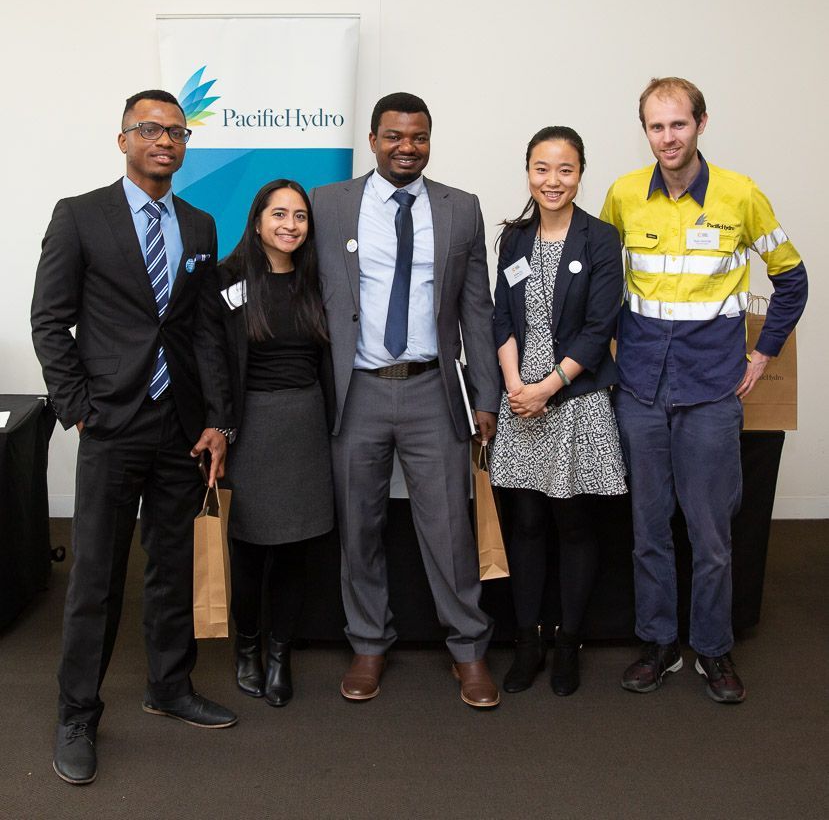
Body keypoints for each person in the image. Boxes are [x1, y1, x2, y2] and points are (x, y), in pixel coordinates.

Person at [31, 89, 238, 786]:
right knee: (94, 576)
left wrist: (217, 418)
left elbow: (206, 328)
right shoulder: (80, 216)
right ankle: (77, 714)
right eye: (150, 129)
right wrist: (79, 407)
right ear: (123, 140)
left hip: (180, 426)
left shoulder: (200, 225)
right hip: (112, 423)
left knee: (170, 564)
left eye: (176, 132)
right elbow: (49, 319)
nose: (165, 141)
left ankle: (169, 686)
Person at [601, 77, 808, 704]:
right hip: (638, 387)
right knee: (647, 530)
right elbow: (601, 279)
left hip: (712, 391)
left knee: (712, 534)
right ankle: (659, 644)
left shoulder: (742, 196)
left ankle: (713, 650)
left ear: (701, 123)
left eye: (678, 125)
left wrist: (762, 352)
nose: (668, 138)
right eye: (656, 127)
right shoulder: (623, 196)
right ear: (645, 132)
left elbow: (792, 278)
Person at [310, 92, 502, 708]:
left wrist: (487, 398)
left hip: (431, 390)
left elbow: (477, 307)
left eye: (418, 137)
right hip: (357, 390)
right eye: (394, 136)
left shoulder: (460, 209)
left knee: (448, 529)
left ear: (429, 140)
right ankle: (368, 643)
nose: (406, 147)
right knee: (358, 526)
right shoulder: (328, 205)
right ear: (372, 140)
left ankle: (468, 651)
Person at [490, 126, 627, 696]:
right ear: (528, 172)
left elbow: (600, 330)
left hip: (574, 400)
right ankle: (527, 641)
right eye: (542, 169)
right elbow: (501, 318)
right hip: (521, 400)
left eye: (565, 169)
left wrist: (546, 387)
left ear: (580, 174)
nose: (553, 180)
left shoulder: (600, 239)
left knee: (572, 524)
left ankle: (567, 642)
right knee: (524, 523)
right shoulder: (514, 239)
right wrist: (515, 385)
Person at [217, 179, 334, 707]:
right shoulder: (228, 280)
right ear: (258, 220)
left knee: (294, 550)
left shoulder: (321, 280)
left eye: (300, 216)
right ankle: (247, 649)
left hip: (306, 423)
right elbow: (209, 360)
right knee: (248, 550)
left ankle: (281, 654)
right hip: (251, 427)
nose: (290, 225)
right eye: (279, 214)